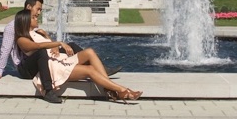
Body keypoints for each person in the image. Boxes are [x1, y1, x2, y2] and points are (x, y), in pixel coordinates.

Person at [13, 8, 141, 103]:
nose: (37, 18)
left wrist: (48, 39)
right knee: (89, 70)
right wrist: (58, 43)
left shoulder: (39, 33)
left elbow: (50, 46)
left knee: (89, 52)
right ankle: (122, 90)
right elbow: (38, 48)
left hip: (59, 60)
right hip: (55, 68)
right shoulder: (22, 39)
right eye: (34, 17)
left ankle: (109, 90)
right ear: (25, 21)